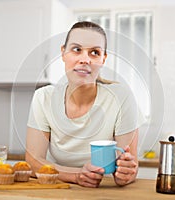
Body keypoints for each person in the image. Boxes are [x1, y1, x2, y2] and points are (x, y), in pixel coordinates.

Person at [26, 21, 145, 188]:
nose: (84, 59)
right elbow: (33, 161)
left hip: (104, 192)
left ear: (103, 59)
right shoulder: (43, 98)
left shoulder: (121, 97)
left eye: (94, 52)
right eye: (77, 50)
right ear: (63, 53)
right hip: (59, 189)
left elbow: (128, 165)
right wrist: (75, 176)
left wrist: (126, 174)